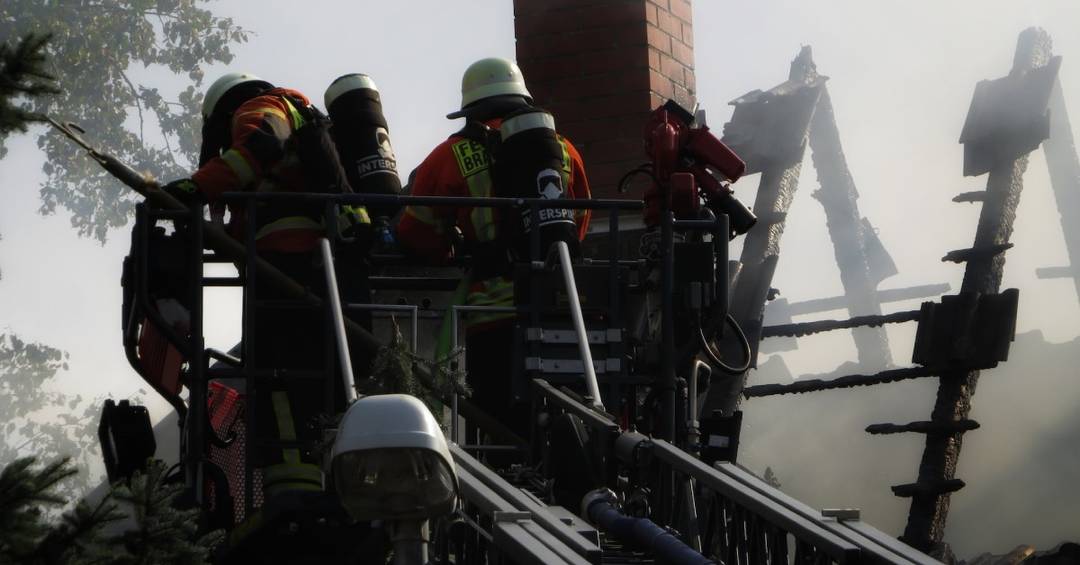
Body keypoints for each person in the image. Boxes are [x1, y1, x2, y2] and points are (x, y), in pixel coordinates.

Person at [167, 72, 369, 498]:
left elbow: (261, 147)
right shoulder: (305, 116)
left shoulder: (256, 109)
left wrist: (196, 187)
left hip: (283, 265)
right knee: (316, 380)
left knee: (275, 375)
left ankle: (290, 494)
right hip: (318, 267)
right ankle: (328, 485)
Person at [395, 58, 592, 438]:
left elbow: (416, 233)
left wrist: (451, 249)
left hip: (492, 315)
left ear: (472, 110)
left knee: (500, 429)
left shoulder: (451, 155)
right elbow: (579, 222)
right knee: (570, 423)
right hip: (562, 306)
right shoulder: (563, 150)